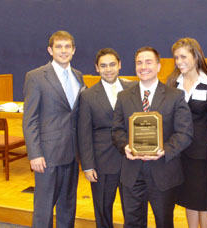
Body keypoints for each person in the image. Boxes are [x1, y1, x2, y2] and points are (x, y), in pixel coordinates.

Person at [112, 46, 194, 228]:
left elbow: (185, 133)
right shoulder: (124, 97)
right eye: (139, 63)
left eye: (148, 62)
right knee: (132, 223)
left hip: (163, 172)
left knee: (164, 223)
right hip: (132, 172)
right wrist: (125, 146)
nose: (143, 67)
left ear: (158, 66)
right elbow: (117, 131)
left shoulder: (175, 96)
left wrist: (164, 150)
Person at [22, 30, 85, 228]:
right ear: (50, 50)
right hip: (47, 156)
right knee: (44, 208)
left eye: (68, 47)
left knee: (68, 206)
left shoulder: (78, 76)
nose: (63, 51)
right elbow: (29, 119)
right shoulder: (36, 77)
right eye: (59, 46)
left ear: (74, 50)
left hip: (72, 154)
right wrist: (34, 154)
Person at [78, 48, 135, 228]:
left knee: (133, 210)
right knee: (103, 209)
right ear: (96, 68)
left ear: (119, 65)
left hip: (130, 161)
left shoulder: (133, 89)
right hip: (103, 163)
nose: (108, 69)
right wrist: (87, 166)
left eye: (112, 64)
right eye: (103, 66)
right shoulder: (87, 96)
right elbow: (84, 133)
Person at [167, 38, 207, 228]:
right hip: (179, 152)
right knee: (187, 199)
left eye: (183, 56)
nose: (179, 61)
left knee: (203, 201)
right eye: (176, 57)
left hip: (201, 154)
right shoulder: (172, 83)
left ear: (195, 56)